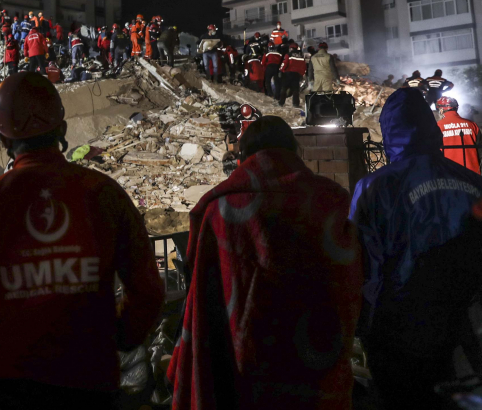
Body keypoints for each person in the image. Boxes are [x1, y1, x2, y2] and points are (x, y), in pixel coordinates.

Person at [0, 73, 164, 409]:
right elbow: (146, 290)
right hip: (91, 378)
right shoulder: (102, 193)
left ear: (3, 137)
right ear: (62, 128)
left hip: (12, 385)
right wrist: (119, 334)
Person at [169, 116, 361, 409]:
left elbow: (202, 294)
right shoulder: (330, 200)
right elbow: (349, 276)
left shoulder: (218, 210)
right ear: (292, 150)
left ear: (244, 155)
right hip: (313, 363)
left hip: (241, 361)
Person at [350, 88, 482, 408]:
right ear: (429, 126)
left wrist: (364, 326)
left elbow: (358, 261)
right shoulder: (473, 182)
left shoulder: (374, 187)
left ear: (390, 131)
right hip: (468, 326)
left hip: (402, 327)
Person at [437, 96, 481, 174]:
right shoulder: (472, 124)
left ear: (441, 109)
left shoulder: (438, 125)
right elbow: (480, 148)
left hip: (449, 172)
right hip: (473, 171)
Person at [278, 41, 307, 107]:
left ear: (291, 48)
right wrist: (302, 74)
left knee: (284, 88)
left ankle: (281, 103)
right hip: (297, 75)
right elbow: (304, 66)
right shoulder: (301, 56)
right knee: (295, 90)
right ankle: (295, 104)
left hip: (288, 74)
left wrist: (281, 70)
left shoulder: (288, 54)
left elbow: (284, 63)